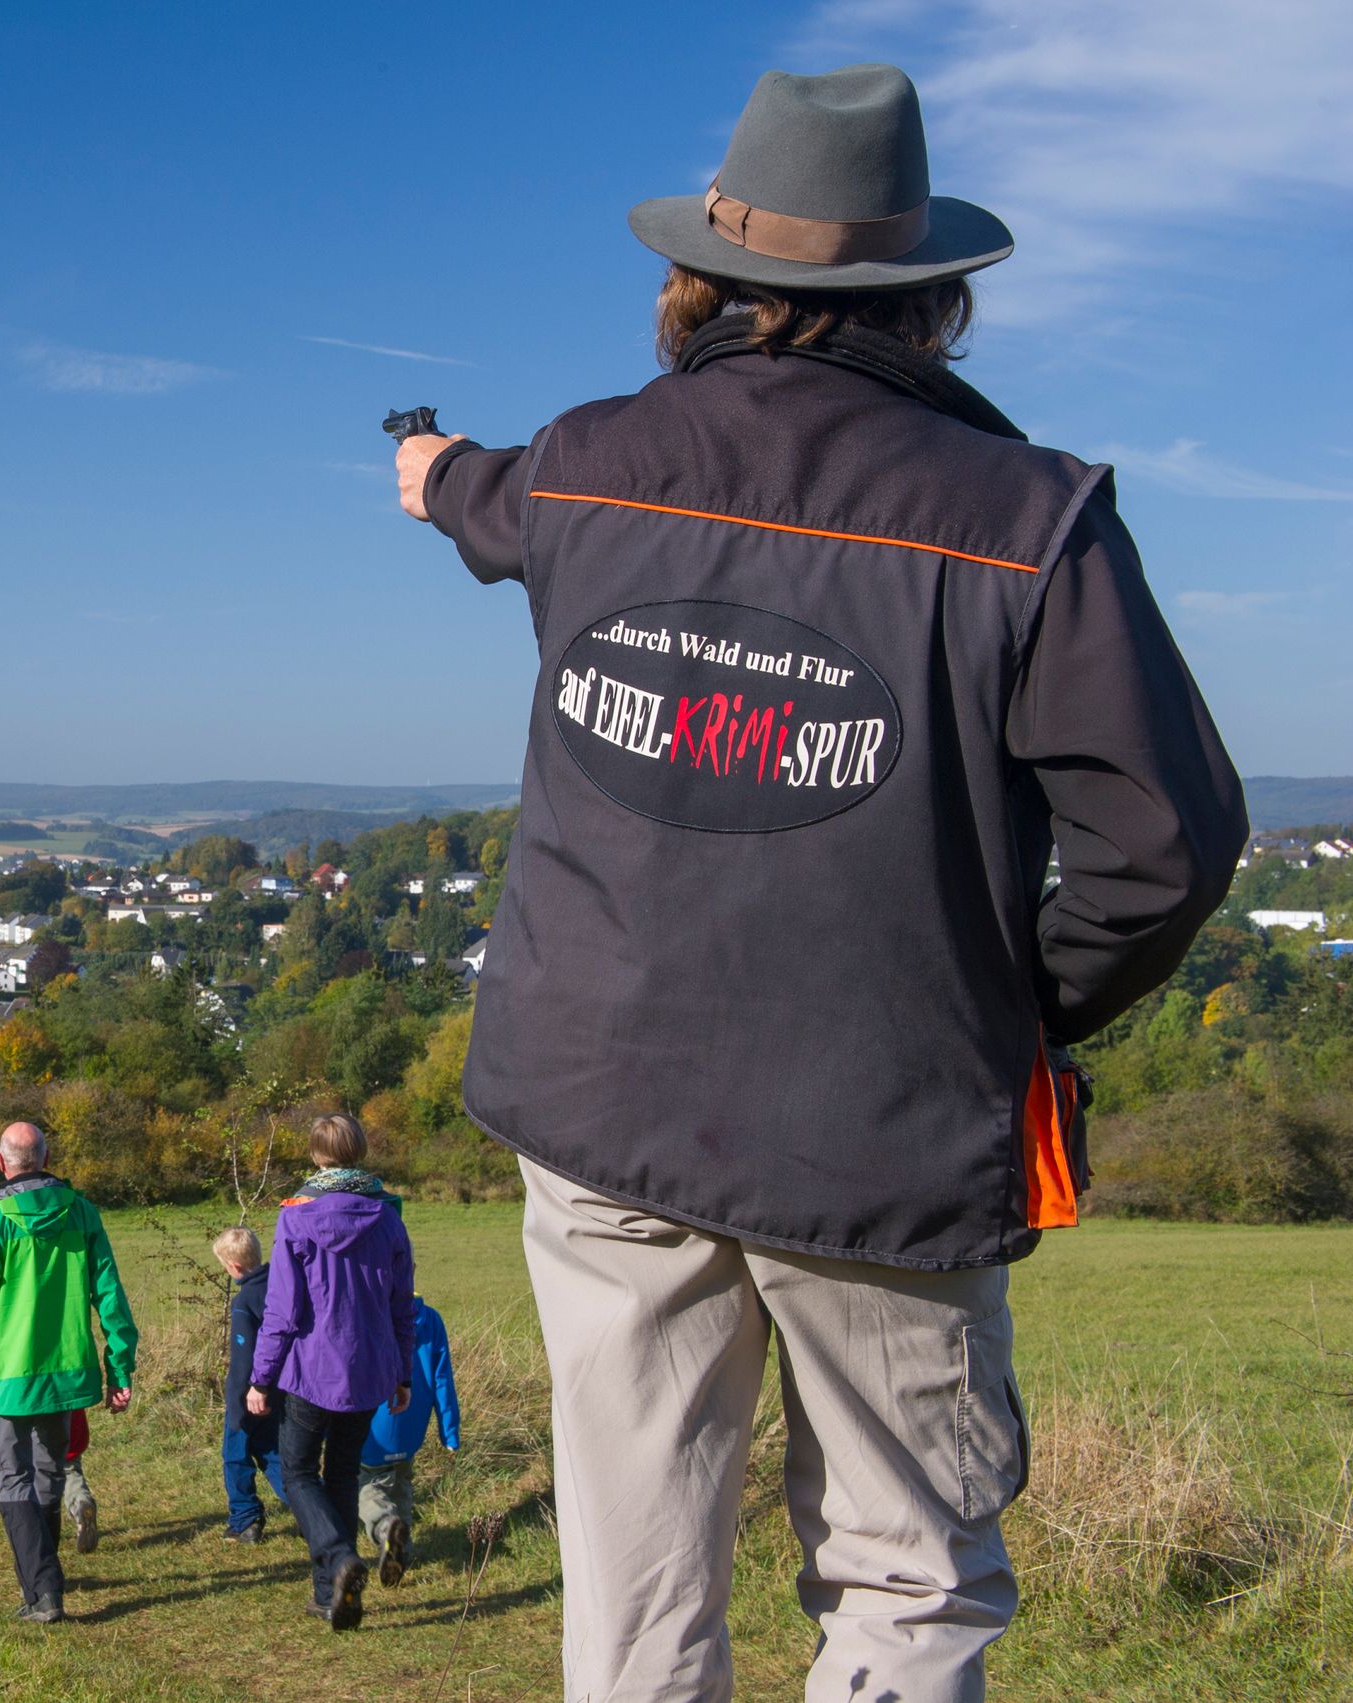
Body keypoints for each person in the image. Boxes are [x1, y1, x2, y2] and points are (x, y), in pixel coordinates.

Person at [392, 62, 1246, 1702]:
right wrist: (1008, 1003)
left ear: (701, 273)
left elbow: (484, 499)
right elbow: (1169, 838)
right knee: (907, 1577)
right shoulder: (1030, 516)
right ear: (930, 292)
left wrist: (431, 474)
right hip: (886, 1126)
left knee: (634, 1590)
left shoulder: (584, 462)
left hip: (600, 1102)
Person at [0, 1121, 139, 1624]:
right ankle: (45, 1577)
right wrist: (119, 1366)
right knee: (51, 1469)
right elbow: (109, 1294)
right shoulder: (82, 1211)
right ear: (46, 1159)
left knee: (12, 1474)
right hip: (66, 1368)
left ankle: (44, 1591)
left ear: (1, 1162)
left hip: (7, 1371)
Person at [246, 1113, 415, 1632]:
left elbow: (282, 1308)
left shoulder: (296, 1216)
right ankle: (332, 1595)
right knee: (341, 1473)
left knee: (298, 1472)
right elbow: (401, 1303)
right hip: (369, 1367)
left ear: (317, 1155)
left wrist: (261, 1376)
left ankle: (339, 1558)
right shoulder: (387, 1216)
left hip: (311, 1369)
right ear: (359, 1150)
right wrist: (402, 1372)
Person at [358, 1293, 461, 1586]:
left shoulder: (367, 1313)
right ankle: (403, 1549)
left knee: (367, 1487)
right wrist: (449, 1431)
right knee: (401, 1483)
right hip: (411, 1428)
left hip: (373, 1426)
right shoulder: (431, 1320)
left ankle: (385, 1526)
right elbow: (442, 1379)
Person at [213, 1225, 287, 1543]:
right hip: (281, 1389)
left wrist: (236, 1402)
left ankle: (245, 1519)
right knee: (272, 1452)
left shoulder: (244, 1301)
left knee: (235, 1455)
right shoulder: (281, 1287)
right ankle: (311, 1507)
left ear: (234, 1267)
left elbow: (244, 1357)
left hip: (250, 1394)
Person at [62, 1409, 98, 1553]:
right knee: (70, 1472)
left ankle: (37, 1529)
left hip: (41, 1422)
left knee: (37, 1477)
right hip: (73, 1420)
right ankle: (81, 1502)